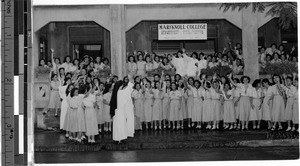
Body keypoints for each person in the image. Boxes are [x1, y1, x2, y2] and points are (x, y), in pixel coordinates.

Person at [112, 75, 135, 143]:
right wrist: (130, 78)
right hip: (121, 111)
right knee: (122, 125)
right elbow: (130, 86)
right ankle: (121, 139)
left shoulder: (115, 93)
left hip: (116, 112)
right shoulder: (122, 92)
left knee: (117, 125)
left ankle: (117, 139)